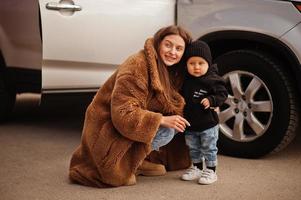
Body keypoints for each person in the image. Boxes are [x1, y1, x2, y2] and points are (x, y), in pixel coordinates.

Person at [69, 25, 192, 187]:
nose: (173, 52)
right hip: (107, 127)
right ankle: (126, 161)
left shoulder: (171, 70)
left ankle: (138, 160)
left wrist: (209, 105)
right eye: (168, 45)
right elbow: (123, 113)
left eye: (179, 48)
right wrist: (161, 120)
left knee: (180, 122)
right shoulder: (137, 64)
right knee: (168, 129)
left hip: (127, 125)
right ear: (158, 43)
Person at [180, 40, 228, 184]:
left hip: (208, 124)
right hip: (191, 124)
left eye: (201, 63)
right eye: (192, 63)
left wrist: (212, 100)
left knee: (209, 148)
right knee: (193, 148)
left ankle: (211, 170)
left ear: (208, 63)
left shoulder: (212, 79)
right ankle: (197, 167)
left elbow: (223, 94)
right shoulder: (186, 80)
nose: (196, 67)